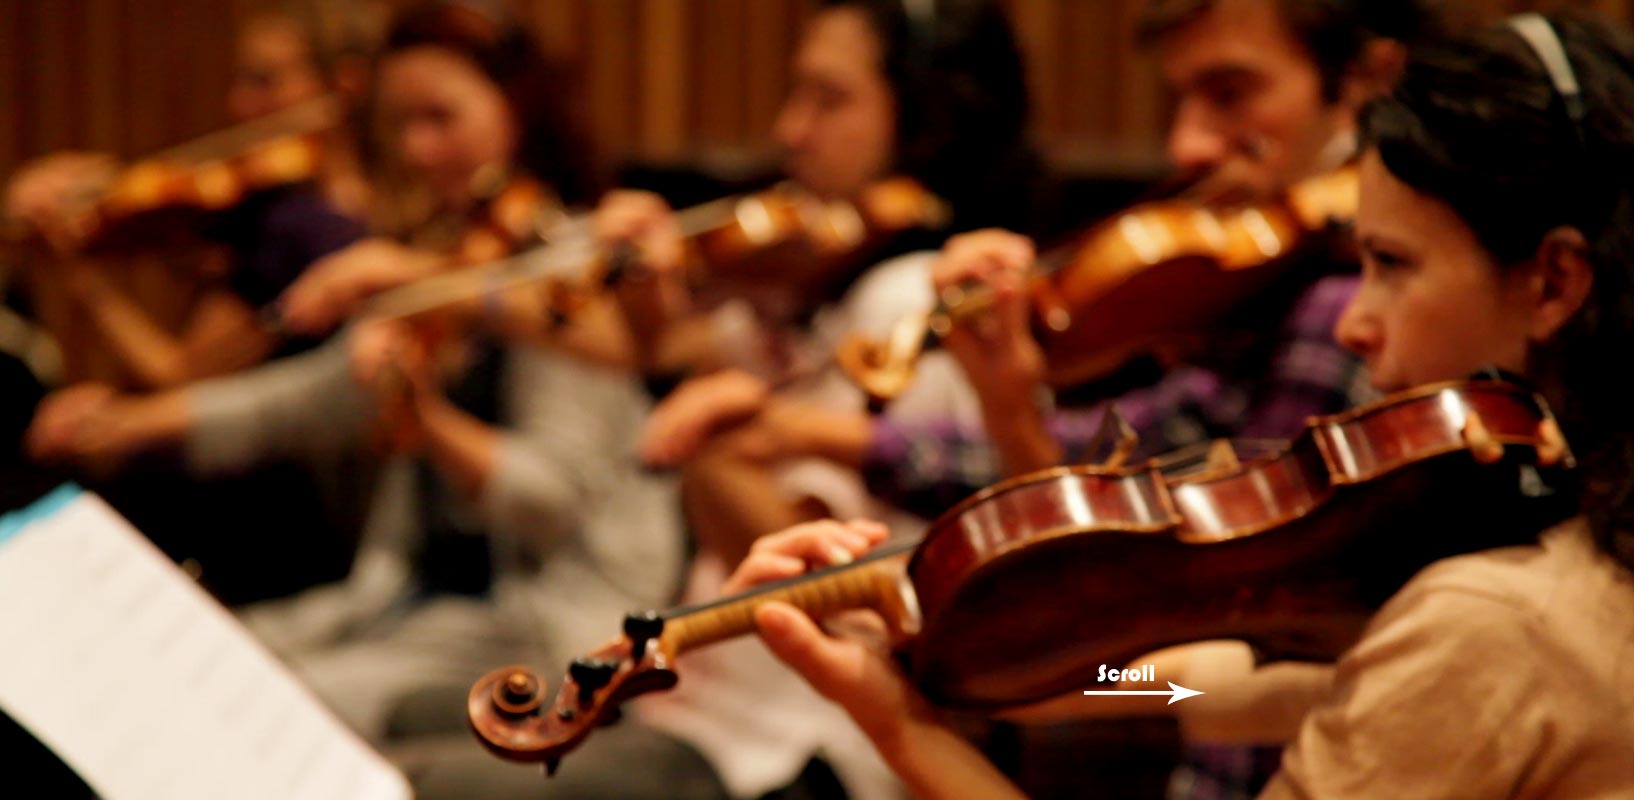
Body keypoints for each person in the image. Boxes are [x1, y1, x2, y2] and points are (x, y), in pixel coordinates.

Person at [725, 12, 1634, 797]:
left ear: (1553, 280)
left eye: (1392, 267)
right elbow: (1186, 688)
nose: (1356, 323)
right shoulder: (1526, 546)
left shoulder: (1486, 623)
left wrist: (906, 735)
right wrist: (945, 670)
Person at [26, 0, 682, 751]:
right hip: (410, 603)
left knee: (242, 711)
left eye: (442, 118)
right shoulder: (451, 253)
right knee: (185, 656)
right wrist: (132, 423)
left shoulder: (564, 277)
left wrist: (428, 417)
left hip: (547, 626)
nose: (417, 149)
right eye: (400, 124)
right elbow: (308, 399)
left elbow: (551, 501)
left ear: (516, 110)